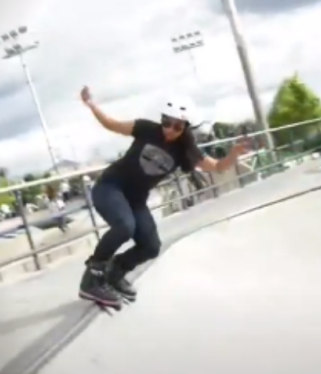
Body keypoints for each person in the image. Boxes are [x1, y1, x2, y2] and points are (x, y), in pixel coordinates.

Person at [77, 86, 250, 308]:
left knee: (151, 246)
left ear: (185, 128)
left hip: (136, 199)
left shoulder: (186, 150)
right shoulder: (146, 128)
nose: (169, 129)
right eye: (166, 122)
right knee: (124, 226)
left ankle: (115, 272)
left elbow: (216, 166)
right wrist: (91, 104)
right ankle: (92, 277)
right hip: (110, 187)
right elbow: (111, 124)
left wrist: (233, 154)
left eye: (177, 126)